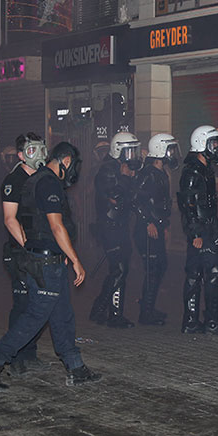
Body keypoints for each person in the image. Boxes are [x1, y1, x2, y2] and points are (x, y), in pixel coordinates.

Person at [0, 142, 101, 391]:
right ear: (65, 161)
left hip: (44, 258)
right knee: (33, 319)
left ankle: (76, 368)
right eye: (72, 165)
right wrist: (75, 259)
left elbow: (35, 224)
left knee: (62, 316)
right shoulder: (49, 183)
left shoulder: (35, 180)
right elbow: (56, 226)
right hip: (46, 263)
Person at [0, 133, 49, 376]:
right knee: (21, 306)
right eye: (32, 150)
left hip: (39, 251)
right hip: (21, 253)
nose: (38, 154)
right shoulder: (13, 181)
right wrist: (29, 247)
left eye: (41, 149)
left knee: (38, 306)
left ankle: (29, 353)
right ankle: (14, 356)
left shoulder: (42, 178)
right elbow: (10, 220)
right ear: (20, 155)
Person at [177, 125, 218, 335]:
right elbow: (188, 205)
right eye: (213, 143)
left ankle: (192, 321)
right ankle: (209, 322)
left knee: (196, 274)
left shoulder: (203, 170)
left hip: (207, 229)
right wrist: (195, 234)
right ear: (202, 144)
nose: (216, 148)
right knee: (211, 272)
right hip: (201, 231)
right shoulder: (193, 172)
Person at [89, 132, 141, 328]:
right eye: (130, 151)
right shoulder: (108, 170)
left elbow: (131, 198)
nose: (133, 156)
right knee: (119, 270)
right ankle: (114, 315)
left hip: (120, 226)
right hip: (110, 227)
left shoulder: (121, 168)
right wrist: (127, 179)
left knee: (118, 270)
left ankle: (99, 309)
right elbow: (116, 198)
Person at [133, 133, 180, 326]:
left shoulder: (161, 173)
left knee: (160, 266)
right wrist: (147, 222)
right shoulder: (148, 174)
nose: (172, 153)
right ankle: (146, 313)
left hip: (158, 228)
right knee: (152, 270)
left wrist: (164, 226)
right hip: (147, 230)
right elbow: (136, 200)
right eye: (169, 149)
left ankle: (149, 307)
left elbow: (161, 204)